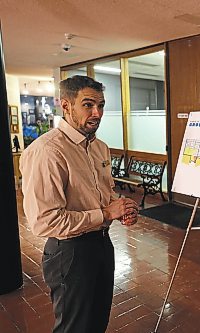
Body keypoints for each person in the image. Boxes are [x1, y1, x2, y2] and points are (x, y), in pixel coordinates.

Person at [20, 75, 139, 333]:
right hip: (69, 253)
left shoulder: (100, 147)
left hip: (102, 245)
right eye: (88, 105)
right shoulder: (47, 151)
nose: (97, 113)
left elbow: (105, 194)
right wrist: (106, 212)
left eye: (101, 105)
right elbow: (44, 221)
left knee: (97, 322)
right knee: (75, 327)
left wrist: (121, 208)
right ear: (66, 106)